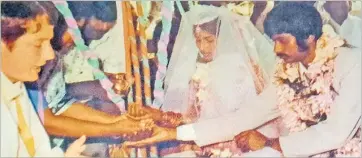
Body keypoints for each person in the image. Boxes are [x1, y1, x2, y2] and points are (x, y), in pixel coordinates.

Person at [122, 5, 278, 157]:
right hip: (206, 142)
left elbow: (255, 116)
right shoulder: (199, 72)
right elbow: (191, 117)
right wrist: (159, 117)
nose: (203, 47)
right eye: (198, 40)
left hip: (243, 144)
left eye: (209, 40)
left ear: (225, 36)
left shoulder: (249, 70)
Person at [25, 1, 153, 157]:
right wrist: (115, 129)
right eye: (75, 32)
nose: (76, 41)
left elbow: (62, 104)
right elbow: (46, 121)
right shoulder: (30, 63)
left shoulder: (54, 58)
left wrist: (115, 121)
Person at [234, 2, 361, 157]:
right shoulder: (288, 70)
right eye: (274, 41)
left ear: (308, 37)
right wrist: (194, 133)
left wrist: (270, 143)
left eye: (282, 41)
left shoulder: (352, 62)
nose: (276, 49)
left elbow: (337, 132)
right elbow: (254, 112)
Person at [0, 1, 86, 157]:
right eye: (38, 44)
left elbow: (39, 150)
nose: (50, 55)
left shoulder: (15, 85)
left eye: (49, 43)